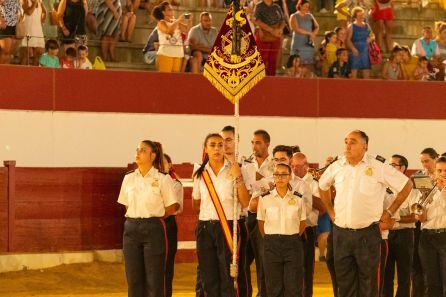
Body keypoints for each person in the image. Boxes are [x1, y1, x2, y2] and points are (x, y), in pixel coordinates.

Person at [318, 130, 413, 297]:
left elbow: (406, 185)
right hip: (341, 235)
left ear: (365, 146)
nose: (347, 145)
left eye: (353, 142)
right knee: (345, 285)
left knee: (369, 286)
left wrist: (390, 211)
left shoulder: (378, 166)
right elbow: (322, 186)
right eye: (346, 141)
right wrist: (330, 210)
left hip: (368, 235)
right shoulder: (337, 166)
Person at [117, 140, 179, 297]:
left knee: (155, 279)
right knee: (134, 279)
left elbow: (171, 206)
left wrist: (153, 216)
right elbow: (126, 205)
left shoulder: (163, 179)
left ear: (153, 155)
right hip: (131, 229)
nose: (138, 153)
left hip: (154, 228)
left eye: (143, 150)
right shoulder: (128, 178)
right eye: (137, 149)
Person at [192, 133, 250, 297]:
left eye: (220, 144)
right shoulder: (200, 172)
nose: (217, 148)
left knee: (228, 275)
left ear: (225, 148)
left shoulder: (236, 169)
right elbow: (196, 202)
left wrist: (238, 177)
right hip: (205, 227)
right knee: (207, 275)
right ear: (205, 149)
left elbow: (245, 202)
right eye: (212, 145)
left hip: (229, 227)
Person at [257, 163, 306, 297]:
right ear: (273, 177)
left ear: (290, 177)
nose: (280, 178)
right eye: (277, 174)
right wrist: (271, 238)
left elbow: (302, 222)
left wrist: (292, 237)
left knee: (293, 286)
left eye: (284, 174)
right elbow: (261, 221)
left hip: (292, 244)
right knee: (273, 287)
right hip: (271, 244)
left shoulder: (298, 198)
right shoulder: (265, 198)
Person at [220, 125, 252, 297]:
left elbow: (246, 202)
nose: (225, 145)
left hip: (237, 223)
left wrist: (238, 175)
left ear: (237, 140)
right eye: (222, 140)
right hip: (218, 221)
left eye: (229, 140)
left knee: (240, 269)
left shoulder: (246, 167)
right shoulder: (214, 167)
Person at [383, 154, 420, 297]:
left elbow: (415, 217)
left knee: (405, 275)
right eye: (389, 165)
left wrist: (395, 220)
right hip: (387, 234)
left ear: (403, 168)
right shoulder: (385, 186)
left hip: (405, 234)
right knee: (386, 274)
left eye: (394, 165)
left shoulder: (412, 189)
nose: (390, 168)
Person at [243, 129, 274, 297]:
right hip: (247, 216)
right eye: (253, 142)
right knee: (242, 261)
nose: (254, 146)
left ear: (267, 144)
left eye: (258, 142)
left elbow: (271, 186)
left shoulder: (275, 164)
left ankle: (263, 294)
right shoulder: (246, 164)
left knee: (263, 261)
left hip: (264, 218)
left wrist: (258, 181)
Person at [290, 152, 326, 297]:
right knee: (292, 267)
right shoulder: (288, 181)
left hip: (307, 228)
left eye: (298, 166)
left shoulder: (314, 183)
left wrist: (304, 195)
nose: (294, 169)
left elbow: (323, 207)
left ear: (306, 166)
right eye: (292, 165)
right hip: (290, 230)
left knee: (306, 268)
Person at [411, 147, 439, 297]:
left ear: (436, 158)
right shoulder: (420, 177)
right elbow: (415, 201)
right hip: (422, 226)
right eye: (422, 162)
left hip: (439, 225)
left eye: (427, 161)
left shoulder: (442, 178)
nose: (424, 165)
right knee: (418, 266)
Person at [417, 156, 446, 297]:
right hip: (427, 237)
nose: (443, 174)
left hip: (444, 236)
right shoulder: (429, 189)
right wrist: (420, 207)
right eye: (439, 170)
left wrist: (444, 190)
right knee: (430, 280)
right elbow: (421, 218)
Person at [163, 153, 183, 297]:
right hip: (154, 223)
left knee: (166, 264)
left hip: (167, 223)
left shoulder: (175, 183)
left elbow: (174, 208)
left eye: (164, 163)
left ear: (170, 165)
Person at [153, 1, 191, 73]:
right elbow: (169, 31)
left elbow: (186, 30)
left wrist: (190, 20)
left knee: (174, 81)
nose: (172, 11)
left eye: (172, 9)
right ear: (163, 12)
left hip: (178, 54)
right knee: (165, 80)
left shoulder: (175, 21)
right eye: (169, 9)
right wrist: (179, 20)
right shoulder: (161, 22)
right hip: (165, 54)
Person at [253, 0, 285, 76]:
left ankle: (271, 80)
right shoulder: (259, 6)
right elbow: (257, 20)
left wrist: (280, 29)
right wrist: (271, 30)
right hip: (263, 35)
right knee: (262, 59)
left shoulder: (277, 7)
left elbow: (283, 21)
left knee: (273, 60)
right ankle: (260, 80)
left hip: (276, 36)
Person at [290, 0, 319, 73]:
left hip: (308, 43)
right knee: (296, 63)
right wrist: (310, 33)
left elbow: (317, 26)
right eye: (305, 6)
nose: (307, 8)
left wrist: (313, 35)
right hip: (298, 42)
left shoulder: (310, 16)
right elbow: (296, 29)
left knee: (307, 64)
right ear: (300, 6)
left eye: (308, 7)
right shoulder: (294, 16)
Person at [346, 6, 373, 79]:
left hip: (365, 51)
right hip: (355, 50)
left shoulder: (367, 25)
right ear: (355, 16)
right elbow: (348, 40)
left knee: (366, 70)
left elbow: (372, 35)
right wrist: (353, 49)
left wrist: (370, 39)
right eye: (360, 15)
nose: (362, 16)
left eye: (362, 15)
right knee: (354, 70)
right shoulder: (351, 26)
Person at [20, 0, 46, 65]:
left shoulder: (39, 2)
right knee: (26, 55)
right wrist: (34, 3)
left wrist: (42, 20)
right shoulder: (24, 1)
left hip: (38, 31)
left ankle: (35, 73)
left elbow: (44, 12)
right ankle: (21, 73)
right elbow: (29, 12)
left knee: (39, 54)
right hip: (28, 30)